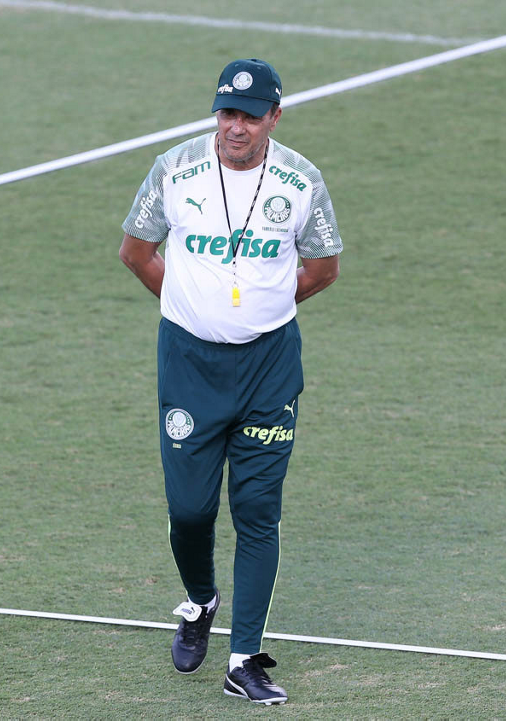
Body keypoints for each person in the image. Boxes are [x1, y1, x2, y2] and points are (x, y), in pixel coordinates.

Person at [118, 58, 343, 706]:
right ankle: (200, 600)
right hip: (189, 364)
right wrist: (192, 310)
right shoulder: (175, 169)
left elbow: (323, 268)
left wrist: (260, 311)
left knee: (258, 511)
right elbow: (136, 252)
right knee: (190, 510)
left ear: (274, 117)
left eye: (249, 115)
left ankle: (244, 657)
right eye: (226, 113)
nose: (235, 126)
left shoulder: (301, 181)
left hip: (269, 369)